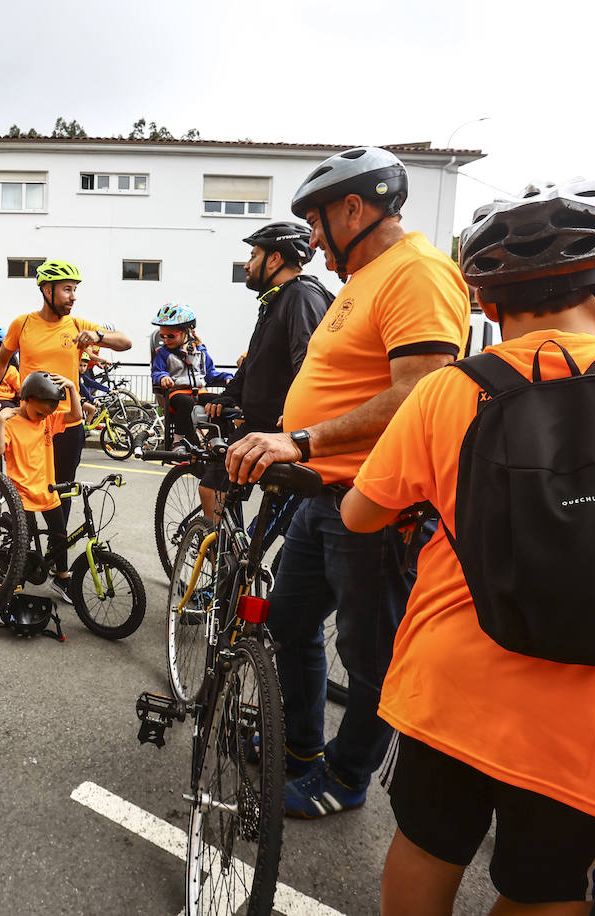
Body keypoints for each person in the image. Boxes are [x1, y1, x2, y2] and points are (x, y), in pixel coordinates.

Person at [342, 180, 595, 914]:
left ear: (487, 304)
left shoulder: (446, 392)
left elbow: (361, 515)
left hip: (452, 688)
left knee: (427, 846)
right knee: (547, 890)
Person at [224, 146, 470, 818]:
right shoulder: (362, 276)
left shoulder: (416, 271)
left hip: (371, 502)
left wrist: (300, 438)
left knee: (370, 656)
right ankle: (301, 748)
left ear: (354, 208)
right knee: (289, 624)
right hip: (319, 495)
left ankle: (346, 775)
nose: (311, 238)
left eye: (314, 221)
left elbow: (421, 390)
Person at [198, 221, 332, 513]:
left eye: (253, 255)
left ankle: (223, 558)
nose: (247, 265)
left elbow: (308, 361)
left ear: (275, 258)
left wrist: (300, 413)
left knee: (217, 491)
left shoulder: (301, 295)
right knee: (216, 489)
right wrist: (229, 395)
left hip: (278, 430)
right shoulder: (274, 300)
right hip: (259, 425)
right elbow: (254, 361)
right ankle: (228, 556)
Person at [0, 259, 132, 520]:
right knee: (25, 487)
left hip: (67, 420)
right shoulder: (23, 323)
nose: (73, 296)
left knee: (62, 488)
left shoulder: (76, 325)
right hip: (31, 420)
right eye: (67, 289)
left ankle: (56, 544)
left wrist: (97, 337)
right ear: (46, 290)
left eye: (75, 289)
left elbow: (125, 341)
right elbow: (1, 362)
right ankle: (25, 545)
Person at [0, 371, 82, 604]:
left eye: (48, 413)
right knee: (23, 542)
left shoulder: (48, 420)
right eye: (40, 412)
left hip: (47, 490)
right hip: (21, 494)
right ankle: (15, 581)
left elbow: (76, 415)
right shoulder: (11, 422)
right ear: (26, 399)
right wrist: (0, 421)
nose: (43, 417)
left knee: (60, 536)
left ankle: (62, 577)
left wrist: (71, 387)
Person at [148, 303, 234, 451]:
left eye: (170, 336)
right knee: (186, 402)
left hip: (200, 392)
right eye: (162, 336)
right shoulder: (163, 353)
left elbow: (210, 374)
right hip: (177, 393)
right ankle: (179, 440)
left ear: (187, 332)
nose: (166, 340)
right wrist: (163, 377)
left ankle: (216, 438)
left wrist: (227, 377)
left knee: (222, 402)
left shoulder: (200, 351)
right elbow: (156, 372)